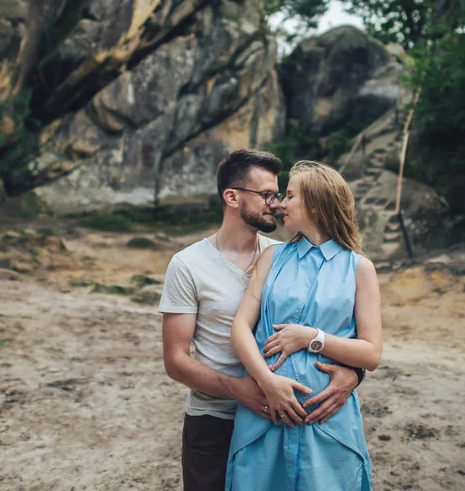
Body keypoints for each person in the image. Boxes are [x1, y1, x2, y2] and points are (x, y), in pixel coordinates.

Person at [159, 149, 361, 491]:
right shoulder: (187, 265)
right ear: (232, 197)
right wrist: (245, 391)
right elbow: (176, 361)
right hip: (214, 419)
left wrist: (354, 374)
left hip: (280, 418)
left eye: (279, 194)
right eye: (267, 194)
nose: (276, 203)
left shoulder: (281, 257)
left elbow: (333, 323)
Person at [227, 160, 382, 491]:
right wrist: (267, 381)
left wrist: (313, 338)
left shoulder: (360, 268)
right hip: (264, 414)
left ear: (316, 203)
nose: (281, 204)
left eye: (291, 196)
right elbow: (240, 327)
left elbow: (370, 353)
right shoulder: (271, 257)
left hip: (325, 419)